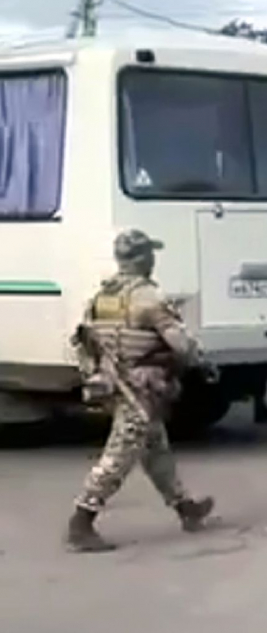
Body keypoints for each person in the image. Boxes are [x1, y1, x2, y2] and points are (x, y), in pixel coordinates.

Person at [66, 230, 216, 552]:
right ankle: (82, 521)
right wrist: (201, 361)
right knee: (120, 453)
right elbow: (182, 345)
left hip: (112, 383)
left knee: (155, 448)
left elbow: (85, 340)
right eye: (151, 254)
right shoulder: (149, 297)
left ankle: (185, 508)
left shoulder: (103, 295)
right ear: (145, 258)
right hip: (140, 386)